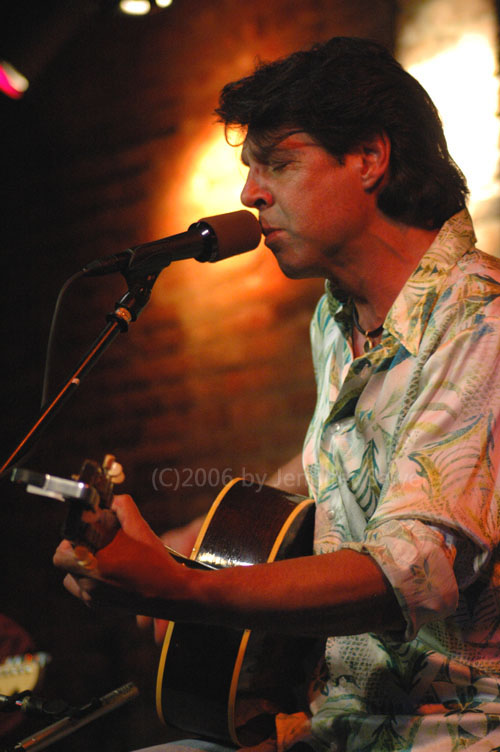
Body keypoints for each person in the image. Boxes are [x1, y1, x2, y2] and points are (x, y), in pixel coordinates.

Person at [53, 36, 500, 752]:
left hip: (450, 734)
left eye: (279, 164)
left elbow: (409, 572)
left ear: (369, 159)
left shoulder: (482, 325)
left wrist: (185, 590)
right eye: (249, 168)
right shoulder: (337, 317)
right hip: (334, 723)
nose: (249, 193)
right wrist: (202, 541)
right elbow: (343, 464)